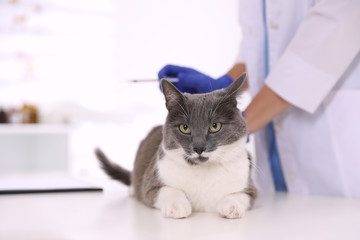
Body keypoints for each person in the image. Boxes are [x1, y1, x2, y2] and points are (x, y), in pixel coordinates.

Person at [158, 0, 360, 198]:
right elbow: (259, 46)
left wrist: (233, 126)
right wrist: (226, 84)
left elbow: (321, 44)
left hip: (331, 154)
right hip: (272, 161)